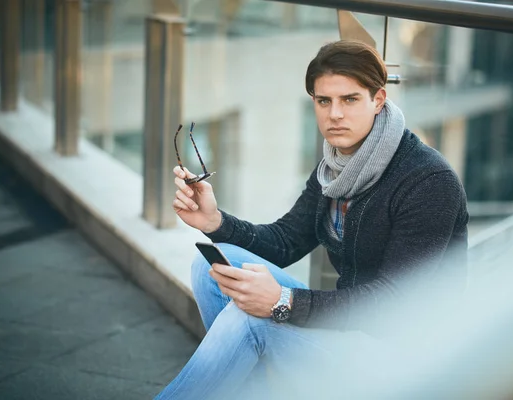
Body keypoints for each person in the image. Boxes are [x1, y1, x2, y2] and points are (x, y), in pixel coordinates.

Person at [154, 39, 469, 400]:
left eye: (349, 99)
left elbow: (393, 304)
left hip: (403, 359)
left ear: (378, 100)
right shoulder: (336, 165)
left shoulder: (427, 182)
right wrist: (214, 222)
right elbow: (285, 241)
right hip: (349, 330)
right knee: (211, 266)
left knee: (250, 322)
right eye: (324, 101)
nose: (335, 114)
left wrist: (283, 301)